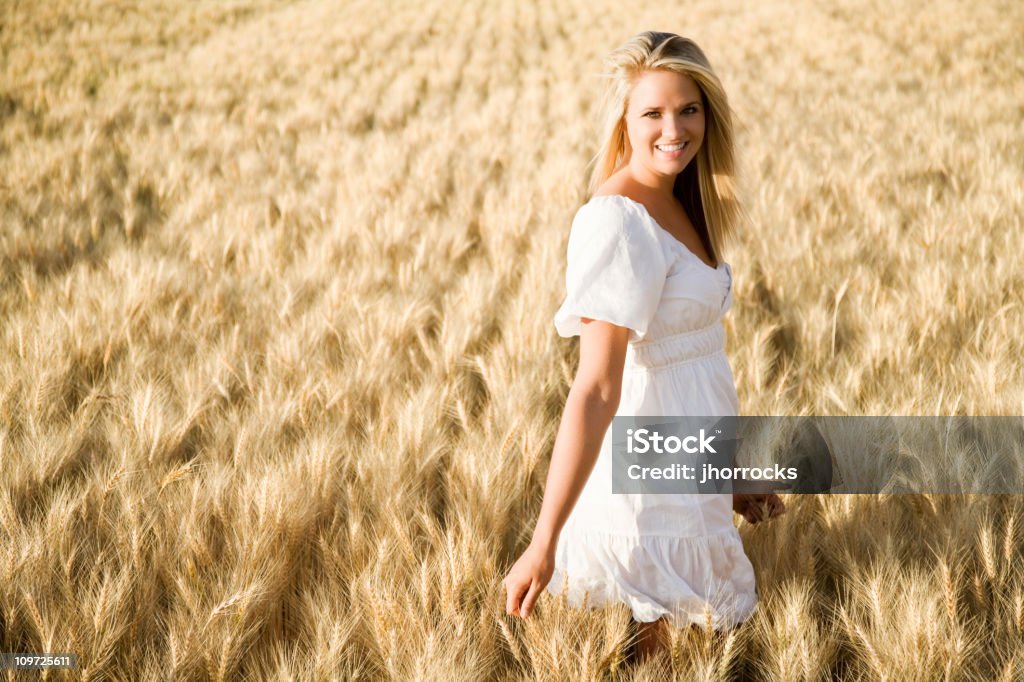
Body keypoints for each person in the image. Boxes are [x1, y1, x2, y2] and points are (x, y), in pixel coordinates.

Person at [501, 31, 785, 663]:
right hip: (645, 497)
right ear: (624, 125)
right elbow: (598, 387)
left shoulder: (684, 202)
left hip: (688, 475)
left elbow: (688, 365)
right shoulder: (620, 219)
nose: (673, 129)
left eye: (689, 109)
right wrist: (544, 541)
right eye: (652, 113)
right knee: (650, 655)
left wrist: (726, 479)